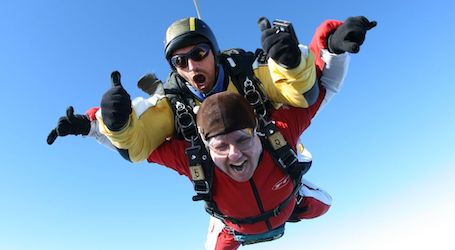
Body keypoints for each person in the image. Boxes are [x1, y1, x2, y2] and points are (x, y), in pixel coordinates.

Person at [148, 91, 330, 249]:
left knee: (326, 205)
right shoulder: (192, 158)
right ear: (207, 148)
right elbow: (138, 149)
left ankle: (295, 191)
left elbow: (322, 88)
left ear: (257, 131)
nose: (234, 155)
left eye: (242, 139)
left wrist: (329, 50)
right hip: (233, 227)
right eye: (220, 146)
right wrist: (120, 126)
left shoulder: (280, 131)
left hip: (286, 204)